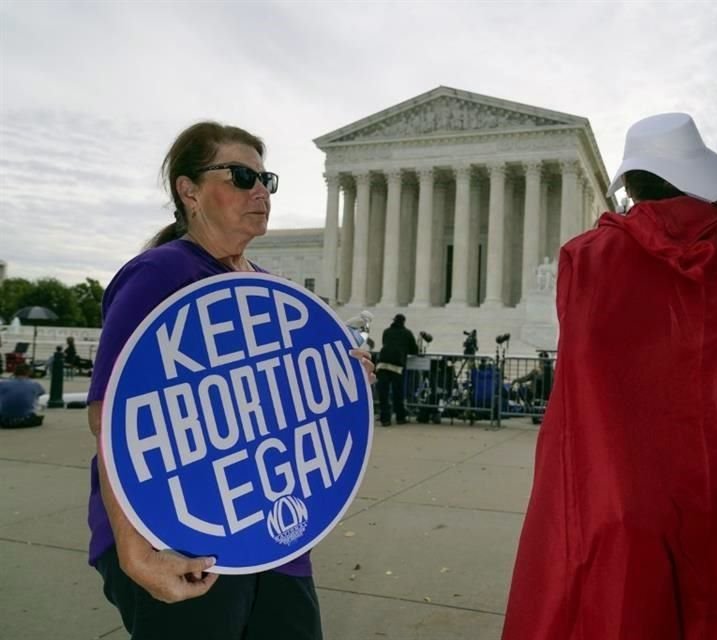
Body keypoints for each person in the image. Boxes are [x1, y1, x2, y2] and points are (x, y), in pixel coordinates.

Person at [502, 113, 717, 639]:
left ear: (634, 183)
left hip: (629, 501)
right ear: (697, 176)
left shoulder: (590, 261)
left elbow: (583, 402)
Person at [85, 121, 374, 640]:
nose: (260, 191)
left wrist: (341, 384)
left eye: (266, 179)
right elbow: (109, 413)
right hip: (179, 534)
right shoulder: (161, 275)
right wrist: (134, 553)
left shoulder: (269, 291)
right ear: (189, 190)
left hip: (273, 538)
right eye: (242, 176)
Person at [375, 314, 418, 426]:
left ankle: (385, 419)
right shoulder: (407, 333)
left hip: (382, 364)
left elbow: (384, 343)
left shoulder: (386, 331)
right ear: (403, 322)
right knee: (397, 393)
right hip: (396, 366)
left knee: (383, 394)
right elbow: (414, 350)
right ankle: (400, 417)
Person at [0, 362, 45, 428]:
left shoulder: (3, 383)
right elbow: (41, 393)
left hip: (5, 420)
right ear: (29, 372)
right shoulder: (35, 384)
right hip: (25, 418)